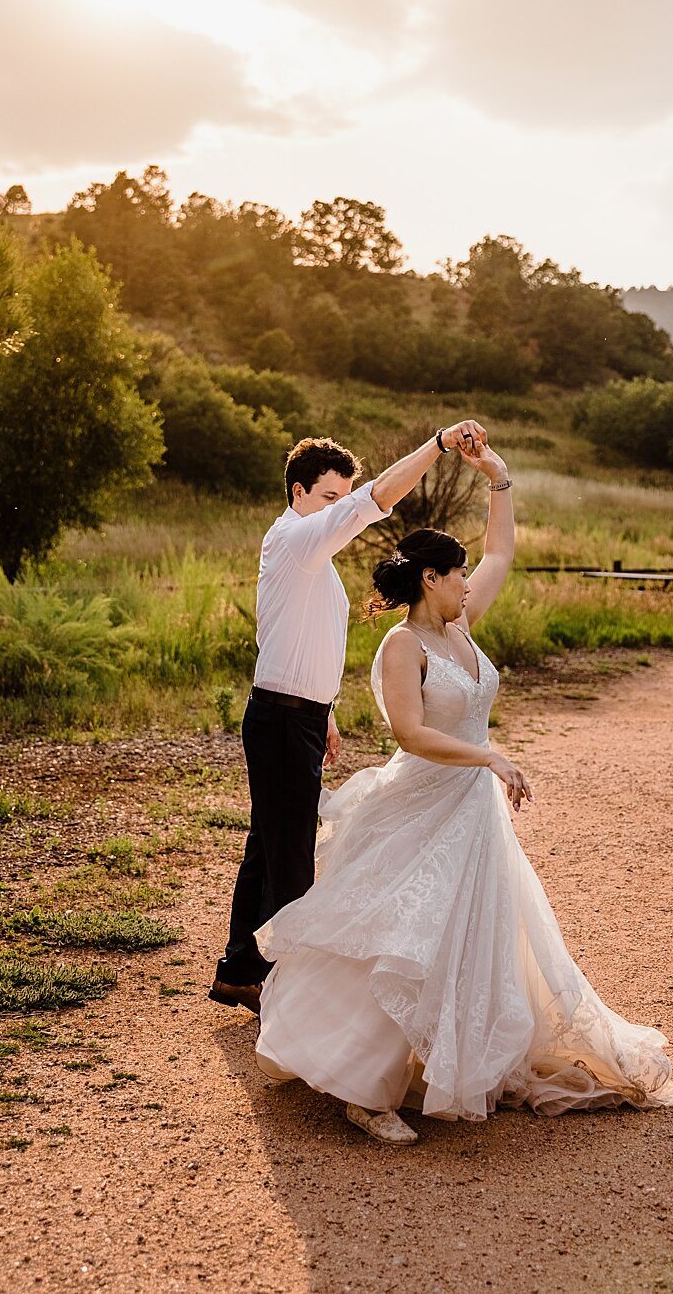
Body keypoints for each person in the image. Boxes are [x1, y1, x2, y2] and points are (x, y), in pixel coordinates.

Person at [252, 438, 673, 1143]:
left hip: (474, 815)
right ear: (429, 580)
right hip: (421, 802)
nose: (467, 583)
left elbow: (501, 556)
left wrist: (501, 481)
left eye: (463, 575)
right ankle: (365, 1088)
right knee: (405, 937)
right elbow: (412, 734)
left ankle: (436, 1061)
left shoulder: (462, 627)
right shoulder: (402, 647)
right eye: (454, 575)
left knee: (464, 937)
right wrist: (488, 756)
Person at [210, 421, 489, 1014]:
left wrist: (327, 711)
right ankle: (294, 1001)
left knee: (268, 845)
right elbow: (379, 499)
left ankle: (239, 970)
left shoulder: (314, 559)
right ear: (298, 494)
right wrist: (438, 447)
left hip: (299, 715)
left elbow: (291, 638)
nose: (337, 510)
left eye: (341, 498)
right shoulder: (294, 540)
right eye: (328, 498)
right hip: (281, 719)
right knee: (290, 863)